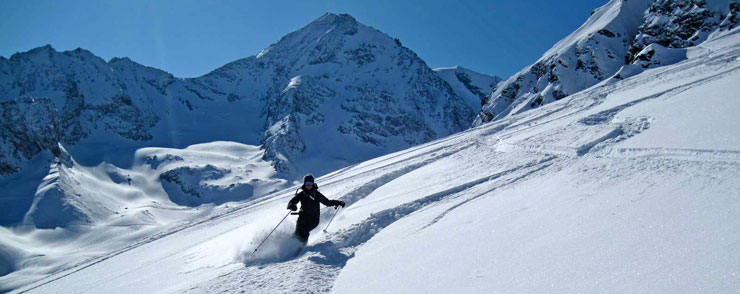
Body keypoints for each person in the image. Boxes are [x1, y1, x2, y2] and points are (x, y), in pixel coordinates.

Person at [287, 174, 345, 244]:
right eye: (307, 183)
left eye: (310, 183)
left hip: (314, 219)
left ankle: (301, 247)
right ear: (304, 184)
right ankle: (289, 247)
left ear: (313, 184)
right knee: (297, 233)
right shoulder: (302, 194)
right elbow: (292, 202)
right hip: (302, 217)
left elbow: (327, 202)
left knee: (304, 231)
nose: (308, 185)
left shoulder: (317, 195)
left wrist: (338, 202)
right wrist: (292, 205)